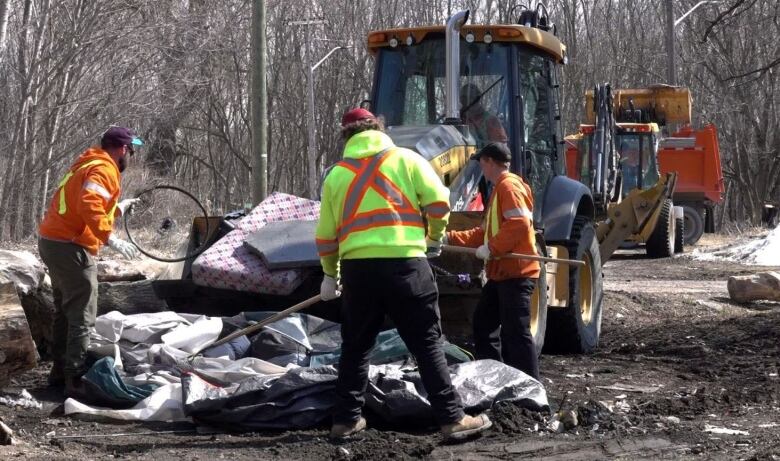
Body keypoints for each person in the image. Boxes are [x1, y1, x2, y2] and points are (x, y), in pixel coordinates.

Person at [316, 108, 491, 441]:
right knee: (426, 344)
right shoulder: (407, 161)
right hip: (406, 265)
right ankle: (451, 419)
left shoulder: (336, 176)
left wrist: (329, 274)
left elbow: (326, 236)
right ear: (379, 128)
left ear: (347, 138)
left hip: (358, 272)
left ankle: (345, 420)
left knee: (355, 347)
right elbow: (440, 202)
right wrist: (434, 238)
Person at [38, 126, 143, 396]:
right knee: (83, 313)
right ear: (122, 149)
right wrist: (111, 239)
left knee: (66, 309)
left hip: (52, 242)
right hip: (70, 247)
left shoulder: (86, 163)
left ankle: (59, 372)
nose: (130, 156)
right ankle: (74, 379)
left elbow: (83, 203)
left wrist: (118, 208)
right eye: (131, 151)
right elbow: (89, 205)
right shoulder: (104, 169)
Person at [446, 142, 541, 381]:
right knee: (483, 323)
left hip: (516, 274)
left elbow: (519, 224)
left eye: (481, 162)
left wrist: (492, 248)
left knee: (516, 334)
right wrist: (449, 237)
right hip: (501, 274)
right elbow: (483, 233)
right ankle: (495, 377)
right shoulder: (499, 189)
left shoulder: (508, 187)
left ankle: (529, 388)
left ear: (489, 162)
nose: (480, 167)